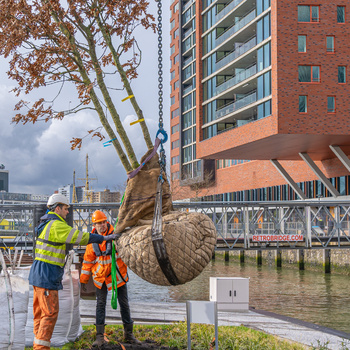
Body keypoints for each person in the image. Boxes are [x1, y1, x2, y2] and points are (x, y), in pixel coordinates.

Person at [29, 194, 117, 350]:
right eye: (65, 208)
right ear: (57, 208)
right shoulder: (56, 225)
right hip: (47, 276)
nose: (67, 212)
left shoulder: (44, 223)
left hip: (38, 275)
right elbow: (79, 237)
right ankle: (41, 348)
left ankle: (38, 345)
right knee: (50, 314)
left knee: (40, 315)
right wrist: (102, 238)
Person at [80, 210, 141, 347]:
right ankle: (100, 336)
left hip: (117, 276)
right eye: (98, 223)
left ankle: (129, 334)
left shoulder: (117, 236)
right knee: (100, 305)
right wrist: (83, 280)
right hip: (100, 277)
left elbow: (127, 251)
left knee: (124, 304)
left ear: (107, 221)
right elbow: (87, 262)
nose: (102, 225)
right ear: (94, 225)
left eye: (103, 222)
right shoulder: (92, 241)